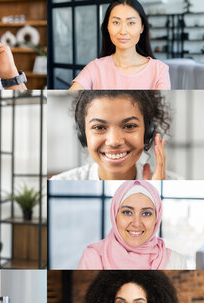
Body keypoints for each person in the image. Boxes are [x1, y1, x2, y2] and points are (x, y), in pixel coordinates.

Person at [51, 91, 179, 180]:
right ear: (83, 134)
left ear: (147, 132)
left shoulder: (175, 185)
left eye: (129, 126)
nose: (114, 141)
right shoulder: (57, 184)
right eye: (99, 127)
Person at [78, 180, 187, 270]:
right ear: (115, 215)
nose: (136, 223)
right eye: (127, 212)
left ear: (156, 218)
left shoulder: (175, 262)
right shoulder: (94, 256)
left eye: (146, 213)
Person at [69, 0, 169, 90]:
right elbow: (65, 103)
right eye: (116, 22)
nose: (123, 31)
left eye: (131, 23)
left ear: (142, 27)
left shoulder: (159, 70)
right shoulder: (94, 68)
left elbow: (162, 109)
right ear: (107, 26)